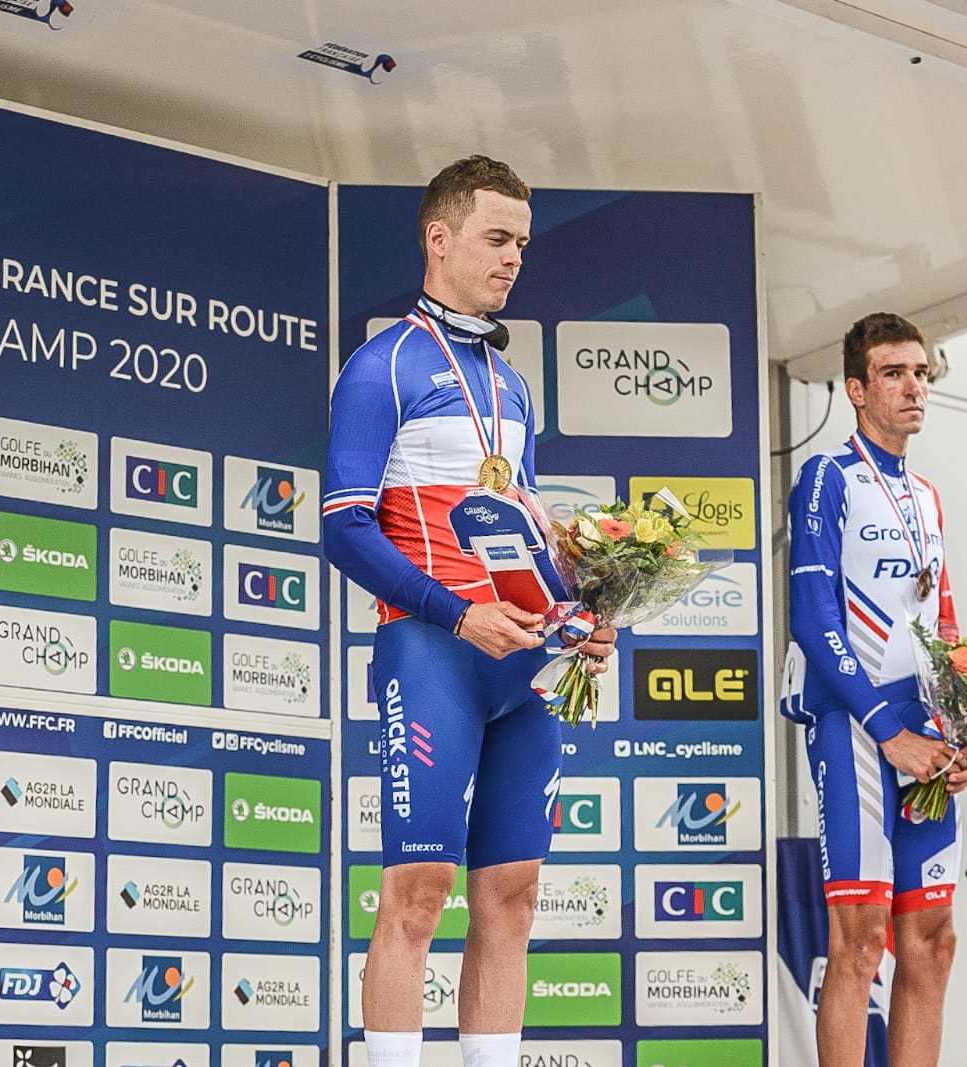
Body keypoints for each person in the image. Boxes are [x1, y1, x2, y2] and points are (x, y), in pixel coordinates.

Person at [323, 156, 616, 1067]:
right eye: (497, 238)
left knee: (513, 897)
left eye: (522, 242)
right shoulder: (383, 367)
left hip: (522, 662)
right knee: (417, 894)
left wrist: (578, 610)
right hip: (433, 651)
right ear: (439, 238)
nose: (514, 257)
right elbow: (343, 527)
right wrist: (457, 616)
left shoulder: (512, 384)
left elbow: (522, 531)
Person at [781, 312, 967, 1067]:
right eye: (893, 373)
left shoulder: (926, 495)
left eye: (921, 373)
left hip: (924, 731)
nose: (913, 387)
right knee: (860, 940)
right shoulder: (827, 476)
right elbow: (812, 616)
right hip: (855, 723)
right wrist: (884, 728)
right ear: (857, 390)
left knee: (932, 940)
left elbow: (944, 624)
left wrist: (961, 732)